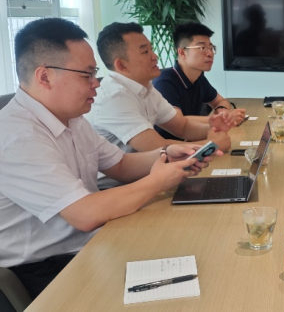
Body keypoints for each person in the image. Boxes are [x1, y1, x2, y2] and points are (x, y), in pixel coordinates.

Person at [0, 18, 218, 298]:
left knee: (195, 245)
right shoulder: (18, 137)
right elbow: (84, 214)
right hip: (48, 267)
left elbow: (121, 165)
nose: (96, 84)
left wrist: (166, 154)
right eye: (86, 75)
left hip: (91, 241)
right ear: (44, 77)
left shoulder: (71, 118)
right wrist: (157, 180)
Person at [86, 22, 232, 157]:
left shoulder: (146, 88)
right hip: (130, 176)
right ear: (122, 65)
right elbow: (158, 148)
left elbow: (182, 126)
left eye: (151, 49)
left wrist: (213, 128)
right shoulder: (114, 98)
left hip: (152, 170)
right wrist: (211, 144)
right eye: (145, 52)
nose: (155, 56)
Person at [153, 22, 245, 136]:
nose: (210, 53)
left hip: (192, 138)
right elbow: (177, 121)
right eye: (202, 48)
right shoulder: (164, 82)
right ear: (182, 52)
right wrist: (219, 119)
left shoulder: (198, 76)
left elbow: (220, 101)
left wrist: (223, 111)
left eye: (211, 48)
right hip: (170, 144)